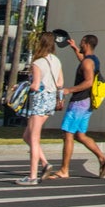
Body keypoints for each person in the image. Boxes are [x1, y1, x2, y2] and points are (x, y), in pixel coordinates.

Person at [46, 34, 105, 180]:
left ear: (86, 43)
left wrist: (69, 90)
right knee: (80, 135)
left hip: (79, 103)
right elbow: (83, 62)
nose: (81, 44)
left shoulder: (88, 63)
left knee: (68, 134)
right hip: (87, 103)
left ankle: (64, 170)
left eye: (82, 42)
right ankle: (102, 158)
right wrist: (75, 48)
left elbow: (88, 81)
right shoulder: (93, 60)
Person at [18, 31, 63, 185]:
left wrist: (22, 86)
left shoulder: (37, 63)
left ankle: (32, 176)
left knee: (34, 138)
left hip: (39, 100)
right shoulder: (56, 60)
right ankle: (45, 164)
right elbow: (60, 83)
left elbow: (36, 86)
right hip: (51, 100)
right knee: (27, 136)